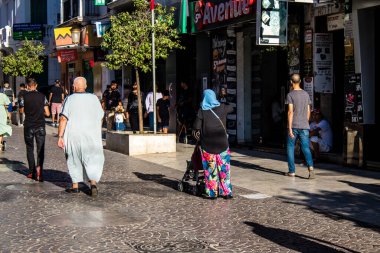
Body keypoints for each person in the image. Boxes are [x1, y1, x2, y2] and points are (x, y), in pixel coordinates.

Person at [58, 77, 104, 196]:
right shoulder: (94, 98)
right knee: (92, 158)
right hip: (91, 135)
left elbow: (63, 118)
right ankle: (93, 184)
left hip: (74, 135)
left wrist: (60, 136)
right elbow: (100, 116)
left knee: (74, 158)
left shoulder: (69, 99)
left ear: (74, 87)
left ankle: (75, 186)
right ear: (86, 85)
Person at [193, 89, 234, 200]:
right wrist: (224, 97)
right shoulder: (223, 107)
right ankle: (226, 192)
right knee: (224, 170)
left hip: (208, 146)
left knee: (211, 171)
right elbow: (231, 106)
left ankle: (212, 193)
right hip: (223, 145)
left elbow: (196, 127)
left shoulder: (202, 110)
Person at [285, 74, 315, 179]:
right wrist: (305, 122)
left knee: (290, 147)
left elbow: (290, 112)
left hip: (293, 125)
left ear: (291, 82)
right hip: (304, 125)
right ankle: (311, 168)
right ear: (300, 81)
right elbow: (308, 111)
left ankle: (292, 171)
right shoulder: (306, 94)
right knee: (305, 147)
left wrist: (289, 128)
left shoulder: (290, 95)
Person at [23, 78, 50, 181]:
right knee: (40, 149)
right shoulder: (43, 97)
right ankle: (39, 171)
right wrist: (40, 112)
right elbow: (47, 113)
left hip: (29, 126)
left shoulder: (24, 96)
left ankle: (31, 172)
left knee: (29, 149)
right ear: (36, 85)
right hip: (40, 126)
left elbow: (21, 110)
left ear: (28, 86)